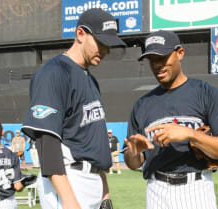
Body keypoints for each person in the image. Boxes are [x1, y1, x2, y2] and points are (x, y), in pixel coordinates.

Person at [123, 30, 218, 209]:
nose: (158, 64)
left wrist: (191, 134)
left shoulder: (206, 93)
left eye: (163, 57)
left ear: (180, 53)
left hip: (196, 188)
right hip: (156, 190)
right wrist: (134, 153)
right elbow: (133, 163)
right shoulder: (142, 105)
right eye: (152, 59)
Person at [21, 8, 126, 209]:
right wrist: (69, 201)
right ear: (80, 34)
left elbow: (91, 143)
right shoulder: (54, 73)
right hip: (69, 181)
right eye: (101, 42)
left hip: (92, 181)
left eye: (109, 44)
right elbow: (47, 142)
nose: (106, 50)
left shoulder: (90, 79)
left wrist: (105, 193)